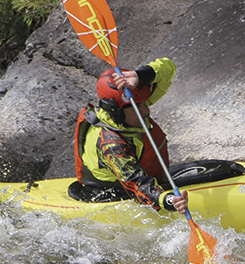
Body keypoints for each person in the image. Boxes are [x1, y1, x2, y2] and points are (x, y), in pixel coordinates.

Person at [71, 57, 188, 214]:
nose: (146, 111)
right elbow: (137, 183)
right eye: (139, 107)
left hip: (139, 178)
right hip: (112, 196)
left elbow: (168, 69)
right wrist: (168, 200)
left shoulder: (128, 108)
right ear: (115, 111)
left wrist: (140, 76)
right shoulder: (111, 144)